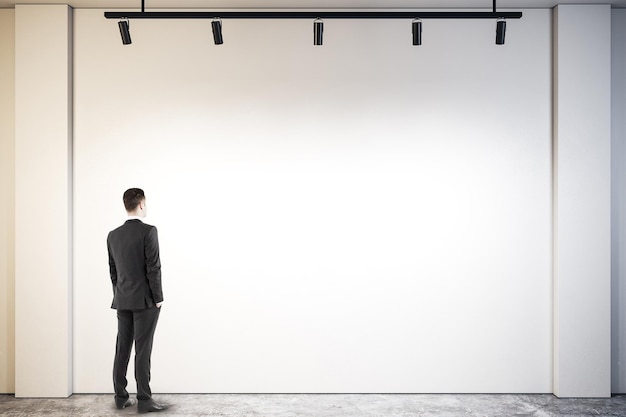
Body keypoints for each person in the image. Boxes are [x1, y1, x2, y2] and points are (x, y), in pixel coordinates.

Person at [107, 188, 167, 413]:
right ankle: (144, 399)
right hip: (145, 301)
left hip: (122, 299)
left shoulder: (113, 235)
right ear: (141, 204)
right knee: (143, 349)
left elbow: (113, 271)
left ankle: (120, 396)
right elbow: (154, 267)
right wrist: (158, 297)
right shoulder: (149, 231)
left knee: (122, 348)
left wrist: (119, 293)